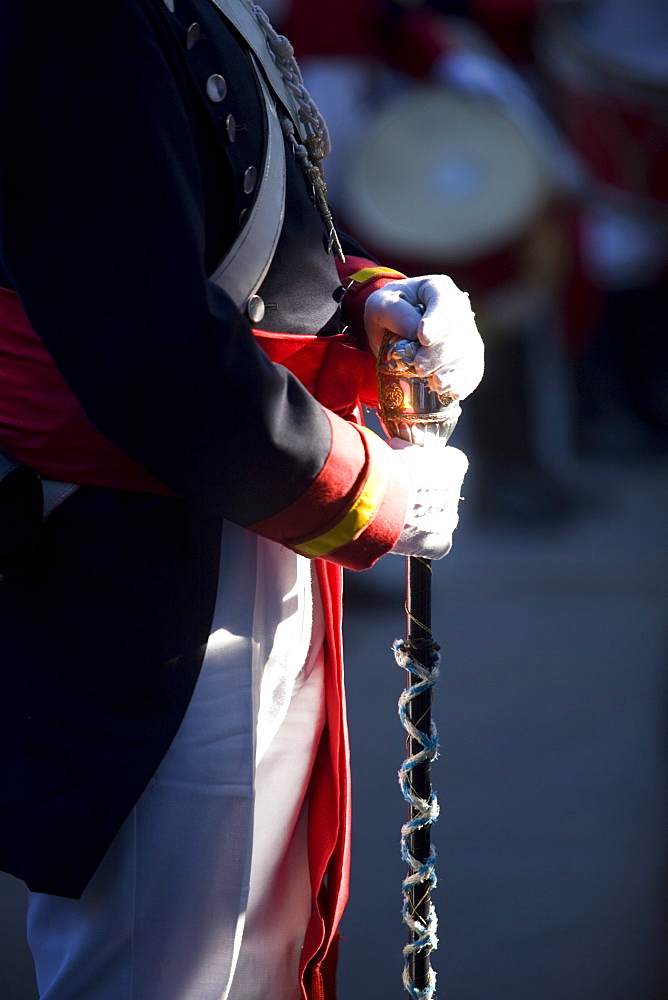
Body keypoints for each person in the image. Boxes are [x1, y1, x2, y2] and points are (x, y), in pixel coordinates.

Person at [0, 2, 483, 998]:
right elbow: (148, 345)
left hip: (236, 515)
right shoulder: (81, 24)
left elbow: (222, 236)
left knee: (255, 955)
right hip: (141, 555)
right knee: (163, 966)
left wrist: (365, 299)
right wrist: (373, 487)